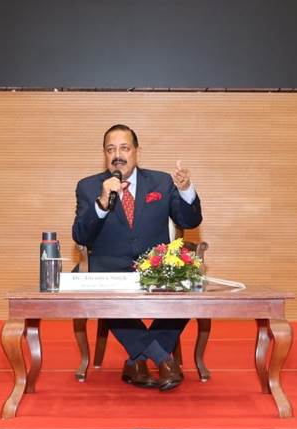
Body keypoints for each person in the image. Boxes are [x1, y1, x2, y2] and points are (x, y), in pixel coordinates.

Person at [72, 124, 202, 391]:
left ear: (137, 152)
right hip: (108, 270)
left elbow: (189, 221)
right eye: (111, 149)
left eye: (124, 148)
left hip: (154, 267)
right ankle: (162, 358)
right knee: (102, 296)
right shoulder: (89, 186)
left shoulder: (161, 182)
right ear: (104, 154)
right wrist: (102, 202)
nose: (117, 155)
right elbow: (80, 235)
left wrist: (186, 189)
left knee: (192, 284)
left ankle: (137, 361)